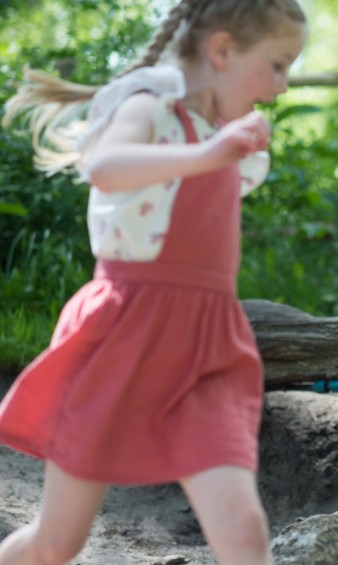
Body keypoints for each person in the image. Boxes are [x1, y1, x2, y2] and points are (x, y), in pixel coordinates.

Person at [0, 1, 307, 563]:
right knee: (56, 543)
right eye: (278, 65)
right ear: (222, 50)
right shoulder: (150, 109)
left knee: (243, 528)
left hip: (209, 347)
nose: (282, 86)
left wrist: (220, 148)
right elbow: (105, 166)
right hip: (123, 333)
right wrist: (208, 153)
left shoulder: (221, 137)